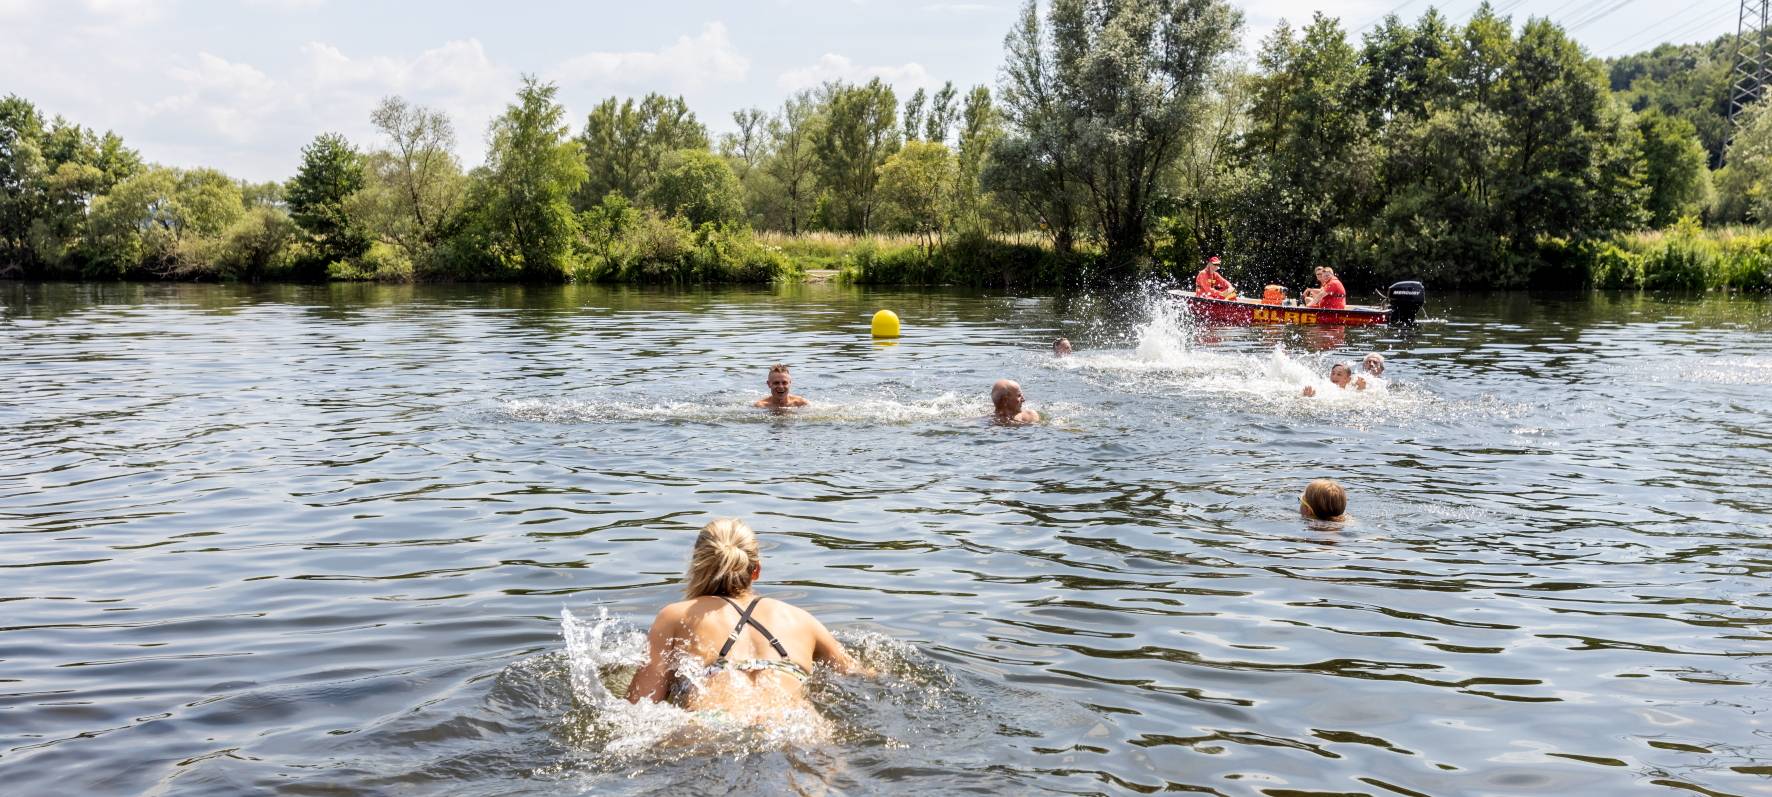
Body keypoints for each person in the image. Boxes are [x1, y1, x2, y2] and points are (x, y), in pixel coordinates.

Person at [626, 518, 862, 723]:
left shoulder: (675, 616)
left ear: (696, 567)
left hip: (714, 720)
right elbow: (858, 676)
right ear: (756, 570)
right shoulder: (801, 619)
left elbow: (641, 705)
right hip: (791, 718)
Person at [1302, 362, 1367, 397]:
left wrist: (1361, 388)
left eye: (1339, 374)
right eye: (1333, 373)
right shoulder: (1324, 389)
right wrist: (1308, 397)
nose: (1334, 377)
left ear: (1347, 379)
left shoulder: (1350, 392)